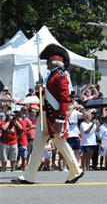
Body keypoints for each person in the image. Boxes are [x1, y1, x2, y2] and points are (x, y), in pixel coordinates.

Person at [12, 44, 84, 184]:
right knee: (39, 145)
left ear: (54, 61)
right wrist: (41, 89)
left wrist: (60, 119)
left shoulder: (60, 76)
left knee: (60, 144)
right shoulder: (52, 76)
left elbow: (64, 100)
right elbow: (49, 96)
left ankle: (75, 171)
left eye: (48, 61)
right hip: (46, 115)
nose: (46, 64)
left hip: (54, 117)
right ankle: (29, 176)